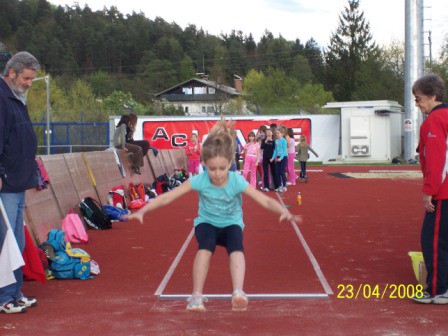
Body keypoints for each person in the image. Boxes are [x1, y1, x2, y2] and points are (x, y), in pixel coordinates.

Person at [126, 116, 301, 312]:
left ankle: (238, 292)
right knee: (205, 246)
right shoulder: (200, 180)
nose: (217, 174)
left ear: (230, 164)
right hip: (207, 222)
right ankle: (196, 295)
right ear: (203, 164)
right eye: (212, 169)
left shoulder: (236, 180)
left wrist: (283, 211)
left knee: (236, 246)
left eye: (222, 168)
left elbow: (264, 200)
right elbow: (169, 196)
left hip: (231, 223)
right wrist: (144, 210)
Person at [0, 51, 40, 314]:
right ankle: (5, 297)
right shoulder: (3, 98)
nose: (29, 83)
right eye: (26, 78)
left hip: (18, 181)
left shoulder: (16, 97)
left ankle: (14, 292)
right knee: (6, 244)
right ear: (12, 73)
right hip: (7, 182)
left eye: (32, 80)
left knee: (18, 242)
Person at [411, 74, 448, 304]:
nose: (416, 104)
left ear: (433, 96)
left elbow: (436, 160)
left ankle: (437, 290)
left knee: (433, 241)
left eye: (419, 99)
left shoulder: (435, 120)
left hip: (443, 193)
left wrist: (429, 192)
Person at [271, 128, 288, 192]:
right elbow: (275, 150)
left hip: (284, 157)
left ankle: (284, 185)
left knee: (282, 171)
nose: (277, 134)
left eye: (278, 133)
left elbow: (284, 150)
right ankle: (279, 185)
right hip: (278, 158)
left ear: (282, 134)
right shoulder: (276, 141)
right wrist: (273, 158)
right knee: (277, 172)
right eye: (276, 133)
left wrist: (281, 157)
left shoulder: (284, 141)